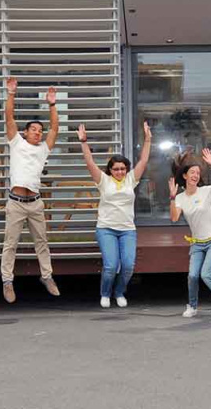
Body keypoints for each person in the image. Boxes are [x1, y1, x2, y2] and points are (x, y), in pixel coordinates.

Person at [0, 79, 62, 303]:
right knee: (11, 243)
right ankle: (7, 281)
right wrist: (11, 94)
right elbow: (9, 118)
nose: (37, 133)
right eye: (33, 130)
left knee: (42, 241)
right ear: (25, 133)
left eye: (39, 130)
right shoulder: (16, 143)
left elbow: (55, 128)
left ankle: (47, 276)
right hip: (16, 202)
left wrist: (52, 105)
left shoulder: (44, 149)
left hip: (35, 203)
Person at [80, 121, 152, 308]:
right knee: (111, 265)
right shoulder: (103, 180)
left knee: (128, 266)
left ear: (126, 169)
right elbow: (89, 162)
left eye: (122, 168)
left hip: (127, 229)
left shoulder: (130, 180)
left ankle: (119, 292)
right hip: (106, 229)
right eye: (116, 169)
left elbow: (143, 161)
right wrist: (84, 142)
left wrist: (148, 140)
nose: (120, 171)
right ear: (110, 170)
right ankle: (105, 293)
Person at [169, 149, 211, 319]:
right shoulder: (180, 198)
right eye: (192, 172)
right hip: (197, 242)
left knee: (206, 274)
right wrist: (171, 197)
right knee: (192, 275)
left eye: (198, 173)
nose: (196, 175)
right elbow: (174, 217)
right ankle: (192, 306)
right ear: (185, 176)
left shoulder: (206, 191)